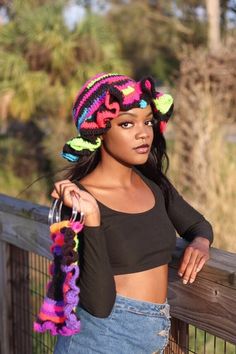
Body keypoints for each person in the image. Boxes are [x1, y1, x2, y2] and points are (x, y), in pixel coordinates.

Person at [51, 73, 213, 354]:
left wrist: (200, 243)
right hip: (98, 340)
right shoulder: (76, 200)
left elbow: (197, 224)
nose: (144, 133)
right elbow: (99, 305)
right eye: (127, 123)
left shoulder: (155, 185)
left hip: (153, 335)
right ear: (99, 131)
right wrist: (92, 220)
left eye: (148, 121)